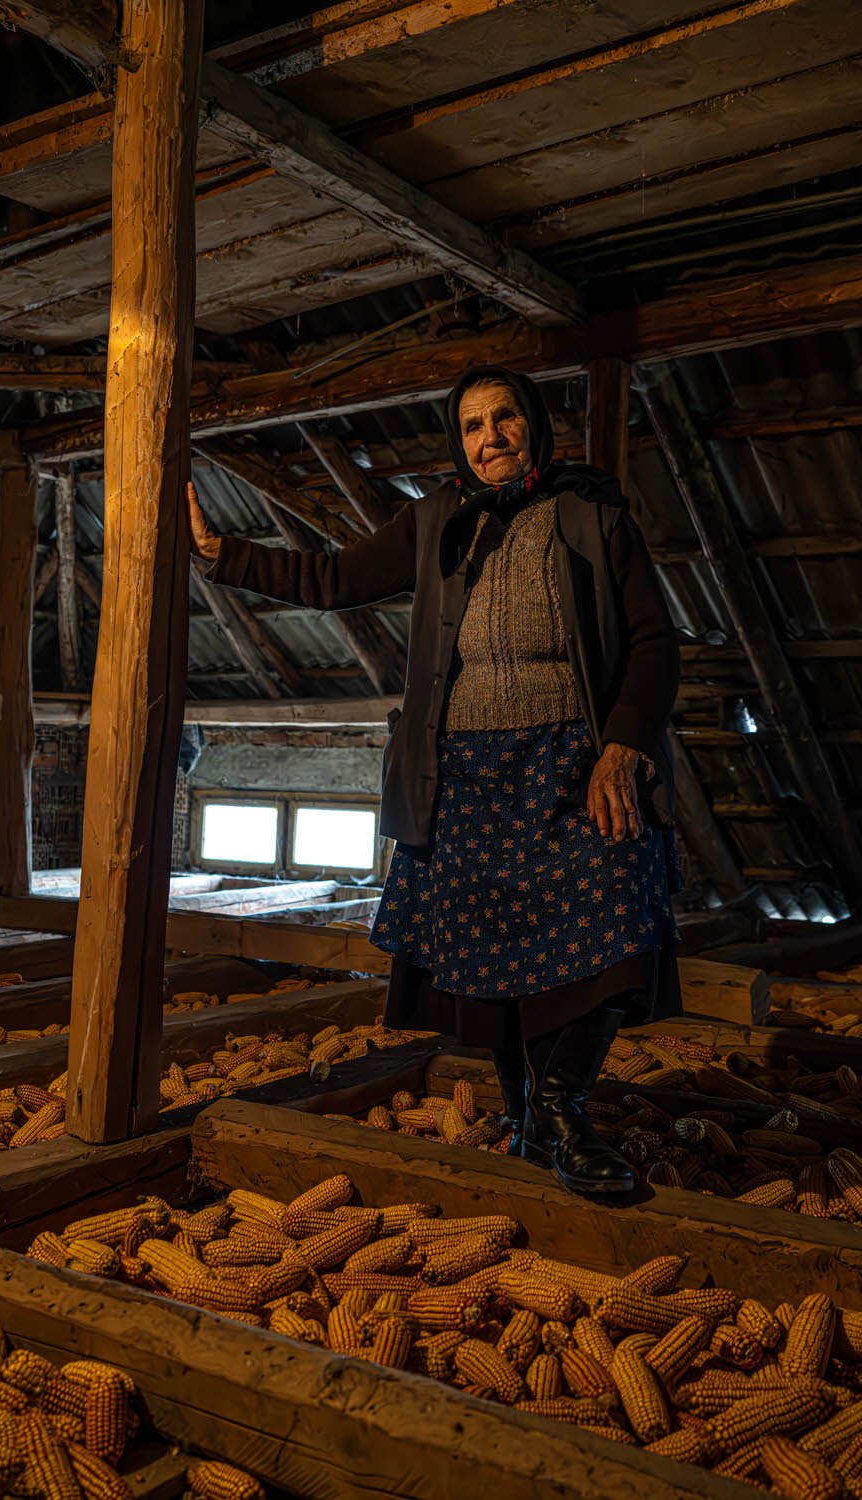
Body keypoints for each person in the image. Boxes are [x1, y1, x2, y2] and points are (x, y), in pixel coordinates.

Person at [187, 364, 682, 1196]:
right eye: (474, 426)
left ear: (534, 425)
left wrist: (621, 746)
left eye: (506, 419)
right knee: (492, 948)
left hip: (570, 765)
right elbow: (330, 578)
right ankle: (526, 1114)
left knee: (619, 903)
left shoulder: (593, 515)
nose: (492, 438)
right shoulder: (437, 522)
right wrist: (222, 554)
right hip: (465, 773)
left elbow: (656, 644)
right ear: (460, 444)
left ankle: (565, 1111)